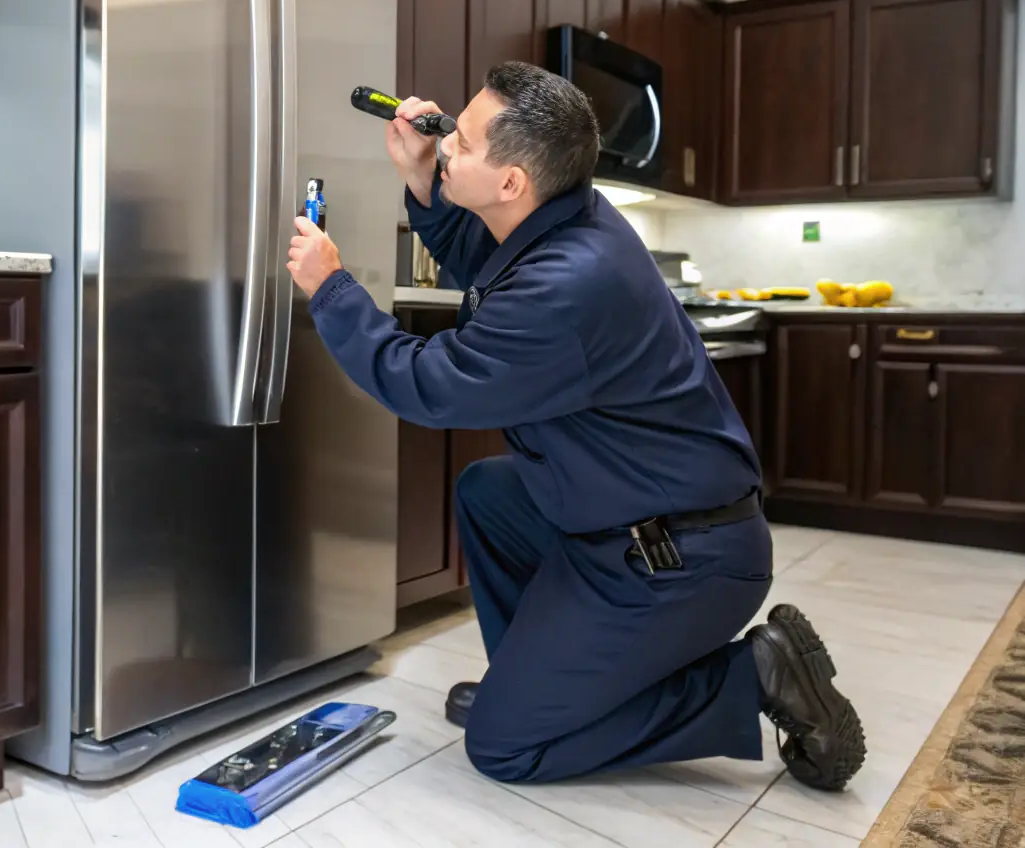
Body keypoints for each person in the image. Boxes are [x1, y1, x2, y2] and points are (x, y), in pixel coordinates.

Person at [285, 61, 867, 790]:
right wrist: (425, 178)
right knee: (489, 492)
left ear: (510, 184)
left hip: (680, 559)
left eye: (459, 140)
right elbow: (486, 264)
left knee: (504, 749)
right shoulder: (566, 215)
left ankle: (750, 677)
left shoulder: (569, 282)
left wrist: (332, 289)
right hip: (629, 518)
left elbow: (428, 386)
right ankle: (538, 691)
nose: (444, 140)